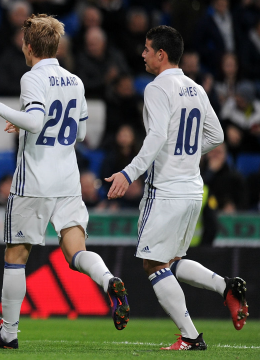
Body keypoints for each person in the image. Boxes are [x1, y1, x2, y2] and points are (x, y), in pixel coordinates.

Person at [0, 14, 130, 349]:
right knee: (76, 251)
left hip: (35, 181)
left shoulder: (32, 77)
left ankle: (8, 334)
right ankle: (109, 280)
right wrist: (34, 123)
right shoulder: (75, 80)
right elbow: (83, 132)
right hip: (68, 179)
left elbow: (34, 120)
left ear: (28, 47)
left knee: (15, 257)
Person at [105, 25, 248, 351]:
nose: (142, 54)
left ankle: (190, 336)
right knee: (172, 261)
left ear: (161, 54)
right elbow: (217, 136)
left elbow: (155, 138)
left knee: (153, 265)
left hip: (166, 189)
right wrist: (187, 155)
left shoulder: (157, 88)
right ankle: (226, 286)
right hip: (193, 188)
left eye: (146, 49)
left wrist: (129, 173)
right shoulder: (196, 88)